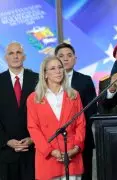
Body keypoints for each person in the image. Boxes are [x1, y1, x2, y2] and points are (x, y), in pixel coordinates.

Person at [27, 56, 86, 180]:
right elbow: (33, 128)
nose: (58, 71)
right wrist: (51, 151)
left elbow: (81, 124)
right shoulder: (34, 98)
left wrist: (75, 148)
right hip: (47, 158)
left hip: (71, 156)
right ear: (45, 74)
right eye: (53, 68)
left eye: (60, 67)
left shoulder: (74, 95)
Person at [55, 43, 97, 180]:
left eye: (69, 55)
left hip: (81, 139)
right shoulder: (48, 82)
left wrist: (78, 137)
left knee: (84, 175)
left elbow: (91, 111)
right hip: (56, 141)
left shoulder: (85, 80)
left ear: (75, 58)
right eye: (61, 56)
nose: (65, 59)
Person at [0, 42, 38, 180]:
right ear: (5, 58)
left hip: (33, 151)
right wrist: (7, 141)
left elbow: (44, 114)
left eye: (18, 53)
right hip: (5, 153)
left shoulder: (38, 79)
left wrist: (33, 138)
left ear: (24, 57)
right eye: (11, 53)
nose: (15, 56)